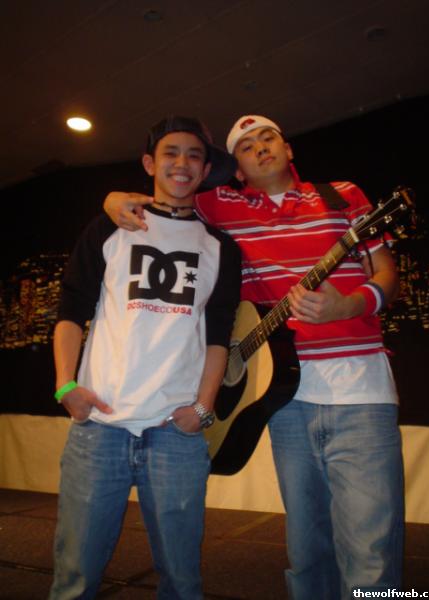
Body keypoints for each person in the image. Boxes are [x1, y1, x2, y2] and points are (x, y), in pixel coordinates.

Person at [104, 115, 404, 600]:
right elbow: (170, 192)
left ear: (289, 148)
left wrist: (348, 305)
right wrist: (113, 199)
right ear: (237, 170)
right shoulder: (221, 208)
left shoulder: (342, 196)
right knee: (306, 547)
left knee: (373, 550)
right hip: (283, 398)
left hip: (362, 388)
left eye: (268, 138)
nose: (261, 147)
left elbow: (387, 274)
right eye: (246, 146)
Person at [50, 116, 242, 600]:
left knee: (182, 582)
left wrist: (203, 407)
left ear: (205, 170)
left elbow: (218, 336)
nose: (182, 163)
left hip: (175, 432)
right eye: (170, 152)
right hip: (100, 426)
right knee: (75, 578)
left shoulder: (220, 247)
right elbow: (71, 311)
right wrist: (65, 385)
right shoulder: (110, 227)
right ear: (149, 163)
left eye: (194, 155)